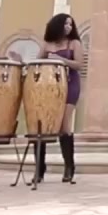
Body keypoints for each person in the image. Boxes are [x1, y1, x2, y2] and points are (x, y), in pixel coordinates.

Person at [35, 13, 86, 184]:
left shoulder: (74, 43)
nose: (68, 27)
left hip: (70, 84)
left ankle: (69, 167)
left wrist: (61, 60)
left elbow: (79, 64)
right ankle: (39, 169)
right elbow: (38, 64)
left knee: (64, 124)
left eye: (70, 24)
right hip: (49, 86)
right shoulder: (46, 44)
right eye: (65, 24)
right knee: (41, 125)